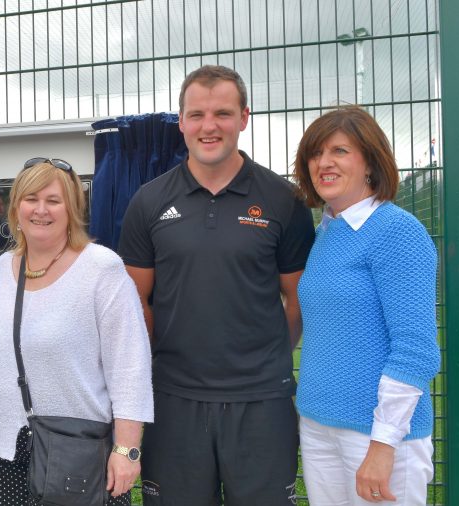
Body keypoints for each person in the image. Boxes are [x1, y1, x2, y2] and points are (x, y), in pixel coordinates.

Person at [118, 65, 315, 505]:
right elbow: (137, 304)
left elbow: (297, 300)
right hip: (173, 400)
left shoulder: (284, 201)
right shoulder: (148, 202)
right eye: (197, 115)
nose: (209, 127)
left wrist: (262, 359)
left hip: (262, 401)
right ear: (182, 121)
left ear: (245, 117)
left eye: (223, 114)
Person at [0, 158, 153, 505]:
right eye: (31, 198)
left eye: (53, 200)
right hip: (4, 455)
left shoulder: (102, 270)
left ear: (71, 208)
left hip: (79, 454)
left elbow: (130, 366)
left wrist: (128, 448)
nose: (41, 210)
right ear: (16, 207)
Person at [292, 106, 440, 505]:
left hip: (377, 437)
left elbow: (416, 350)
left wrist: (384, 443)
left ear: (371, 163)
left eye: (340, 151)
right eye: (316, 153)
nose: (324, 162)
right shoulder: (325, 234)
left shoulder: (397, 231)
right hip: (319, 424)